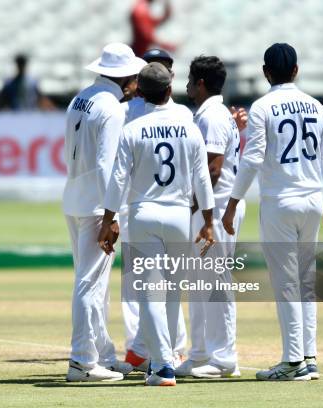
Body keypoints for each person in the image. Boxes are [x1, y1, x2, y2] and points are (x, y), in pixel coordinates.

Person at [222, 43, 323, 381]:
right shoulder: (316, 106)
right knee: (305, 280)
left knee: (286, 282)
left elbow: (253, 158)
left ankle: (292, 361)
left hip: (279, 202)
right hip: (312, 199)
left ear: (265, 72)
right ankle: (308, 356)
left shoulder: (262, 107)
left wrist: (232, 203)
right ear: (296, 70)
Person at [98, 62, 215, 386]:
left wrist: (108, 220)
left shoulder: (132, 129)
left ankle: (161, 365)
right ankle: (167, 357)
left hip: (142, 214)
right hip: (179, 215)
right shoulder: (188, 126)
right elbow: (203, 178)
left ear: (140, 91)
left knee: (149, 293)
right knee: (174, 293)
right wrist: (208, 221)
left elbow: (117, 179)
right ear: (169, 90)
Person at [63, 43, 146, 382]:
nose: (137, 82)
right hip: (97, 205)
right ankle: (82, 362)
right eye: (134, 76)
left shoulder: (81, 97)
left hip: (74, 197)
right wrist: (111, 217)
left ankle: (102, 355)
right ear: (125, 77)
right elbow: (105, 165)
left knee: (93, 284)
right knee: (89, 284)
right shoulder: (111, 108)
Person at [119, 48, 190, 372]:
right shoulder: (183, 117)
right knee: (154, 286)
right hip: (173, 209)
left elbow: (117, 171)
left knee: (147, 286)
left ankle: (158, 353)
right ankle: (146, 349)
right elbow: (201, 173)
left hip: (140, 208)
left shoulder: (131, 116)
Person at [175, 55, 245, 378]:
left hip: (214, 209)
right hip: (210, 208)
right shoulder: (211, 113)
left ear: (200, 83)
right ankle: (202, 353)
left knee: (216, 281)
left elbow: (213, 170)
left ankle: (224, 358)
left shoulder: (212, 116)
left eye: (190, 80)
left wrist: (193, 209)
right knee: (201, 282)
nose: (186, 85)